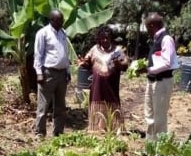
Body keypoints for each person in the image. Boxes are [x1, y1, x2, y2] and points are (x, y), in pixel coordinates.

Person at [79, 25, 129, 133]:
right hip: (97, 85)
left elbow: (125, 66)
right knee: (97, 102)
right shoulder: (94, 49)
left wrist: (117, 63)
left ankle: (115, 128)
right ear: (99, 39)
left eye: (107, 38)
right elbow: (88, 63)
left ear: (111, 38)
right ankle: (97, 129)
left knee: (112, 102)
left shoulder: (117, 51)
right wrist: (83, 63)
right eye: (102, 38)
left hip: (111, 85)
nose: (105, 40)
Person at [33, 9, 70, 137]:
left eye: (62, 20)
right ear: (52, 20)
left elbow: (66, 53)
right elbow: (38, 55)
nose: (62, 22)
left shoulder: (63, 33)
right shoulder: (43, 33)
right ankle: (40, 132)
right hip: (48, 73)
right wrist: (39, 73)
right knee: (43, 105)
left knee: (60, 106)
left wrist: (68, 70)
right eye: (59, 20)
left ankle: (58, 132)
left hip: (62, 74)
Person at [143, 13, 179, 140]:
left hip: (162, 82)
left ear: (152, 25)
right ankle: (150, 144)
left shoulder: (166, 39)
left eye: (147, 27)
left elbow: (167, 63)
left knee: (159, 117)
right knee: (149, 115)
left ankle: (159, 147)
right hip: (152, 81)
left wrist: (148, 69)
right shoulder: (156, 38)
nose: (146, 30)